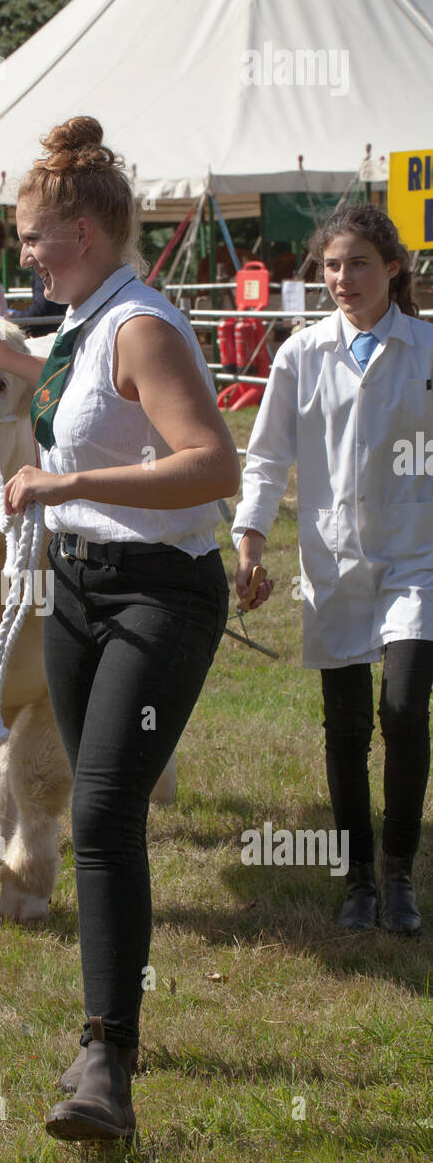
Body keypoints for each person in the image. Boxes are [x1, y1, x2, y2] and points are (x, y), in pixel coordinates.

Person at [0, 116, 239, 1142]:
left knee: (107, 809)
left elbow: (212, 463)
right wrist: (1, 354)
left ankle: (102, 1059)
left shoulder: (141, 325)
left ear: (80, 228)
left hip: (158, 593)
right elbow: (78, 403)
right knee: (97, 806)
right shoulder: (84, 321)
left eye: (32, 236)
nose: (21, 253)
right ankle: (105, 1037)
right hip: (76, 588)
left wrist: (64, 481)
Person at [233, 204, 433, 937]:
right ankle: (357, 880)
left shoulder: (427, 350)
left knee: (406, 711)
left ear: (392, 268)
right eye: (330, 266)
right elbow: (266, 455)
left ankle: (400, 871)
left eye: (356, 264)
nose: (342, 279)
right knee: (346, 728)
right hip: (335, 561)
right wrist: (251, 539)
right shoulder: (302, 354)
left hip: (419, 557)